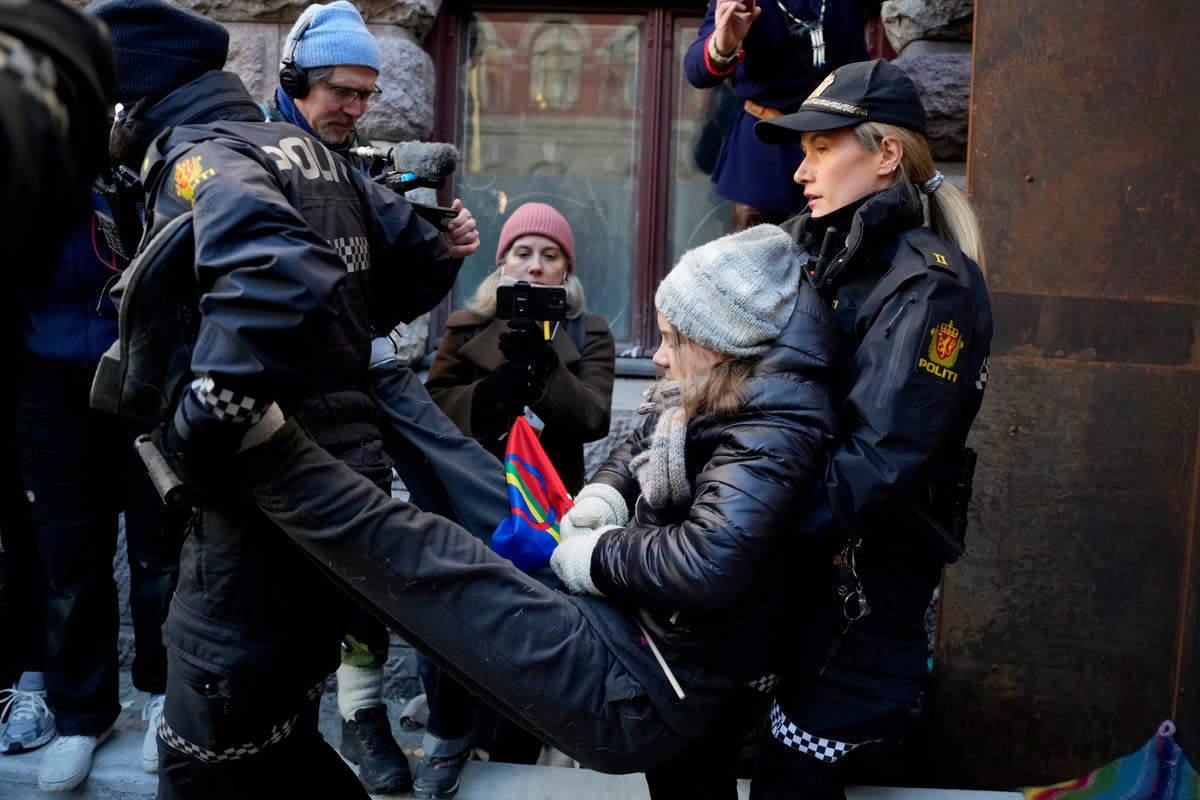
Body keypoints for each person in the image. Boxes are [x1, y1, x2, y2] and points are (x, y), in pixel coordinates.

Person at [177, 223, 839, 782]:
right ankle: (376, 371)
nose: (660, 358)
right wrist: (606, 496)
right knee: (468, 482)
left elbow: (709, 562)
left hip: (638, 686)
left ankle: (267, 451)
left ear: (723, 342)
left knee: (430, 558)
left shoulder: (776, 427)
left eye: (672, 340)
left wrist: (594, 553)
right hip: (630, 631)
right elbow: (642, 432)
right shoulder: (726, 385)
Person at [81, 2, 479, 798]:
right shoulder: (307, 154)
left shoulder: (203, 156)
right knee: (278, 733)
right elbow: (412, 264)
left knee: (203, 754)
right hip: (339, 485)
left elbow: (279, 280)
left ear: (132, 104)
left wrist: (200, 426)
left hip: (265, 499)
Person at [748, 58, 992, 798]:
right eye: (803, 151)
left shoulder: (930, 287)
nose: (801, 172)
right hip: (794, 585)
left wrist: (742, 531)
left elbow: (879, 466)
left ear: (886, 154)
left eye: (823, 148)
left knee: (794, 778)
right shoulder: (816, 251)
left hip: (858, 599)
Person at [415, 201, 616, 797]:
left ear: (565, 272)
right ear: (501, 265)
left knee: (541, 626)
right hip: (475, 497)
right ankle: (451, 736)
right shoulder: (465, 325)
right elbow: (434, 409)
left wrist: (546, 368)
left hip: (552, 508)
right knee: (461, 617)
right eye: (522, 254)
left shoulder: (591, 330)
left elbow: (594, 416)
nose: (534, 267)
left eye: (549, 256)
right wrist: (497, 387)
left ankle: (520, 747)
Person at [263, 4, 411, 792]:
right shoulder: (245, 159)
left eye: (366, 96)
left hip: (352, 406)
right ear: (293, 82)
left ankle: (362, 716)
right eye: (342, 94)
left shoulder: (353, 165)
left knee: (362, 576)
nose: (355, 112)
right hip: (269, 413)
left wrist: (429, 245)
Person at [11, 187, 188, 792]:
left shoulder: (134, 176)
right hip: (49, 389)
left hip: (142, 378)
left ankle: (164, 698)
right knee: (68, 562)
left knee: (159, 550)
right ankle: (80, 717)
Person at [0, 0, 114, 773]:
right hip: (34, 378)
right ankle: (55, 697)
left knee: (148, 554)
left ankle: (128, 698)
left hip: (122, 376)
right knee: (51, 551)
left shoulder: (124, 160)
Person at [683, 0, 870, 231]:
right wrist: (722, 45)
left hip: (839, 142)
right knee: (755, 258)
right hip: (766, 146)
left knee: (842, 252)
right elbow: (696, 70)